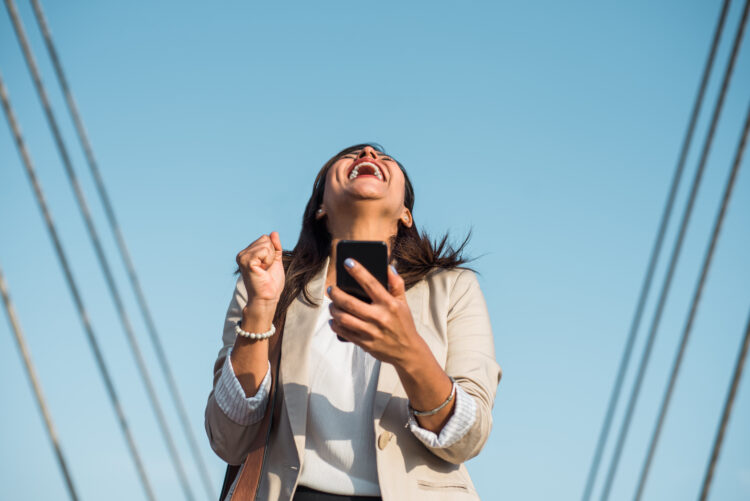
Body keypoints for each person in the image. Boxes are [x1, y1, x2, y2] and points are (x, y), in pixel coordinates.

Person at [204, 143, 502, 500]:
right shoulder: (270, 281)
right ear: (320, 208)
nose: (368, 154)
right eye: (351, 156)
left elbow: (468, 437)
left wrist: (409, 352)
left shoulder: (453, 287)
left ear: (405, 213)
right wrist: (260, 307)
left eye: (385, 157)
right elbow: (228, 439)